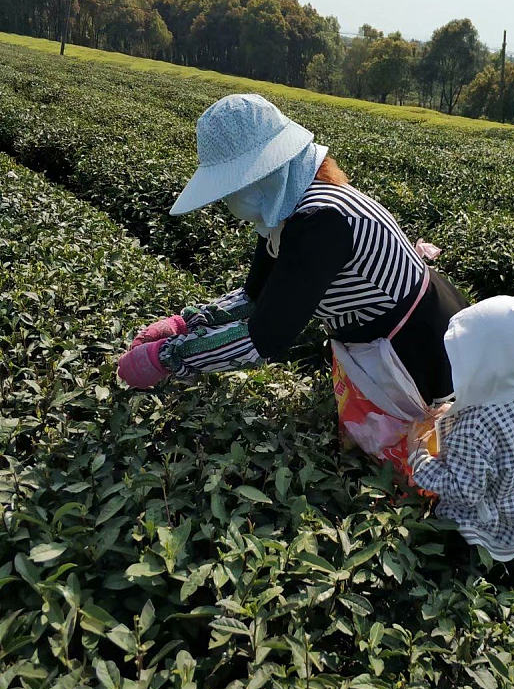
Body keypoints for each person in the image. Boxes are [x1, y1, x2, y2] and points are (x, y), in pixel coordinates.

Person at [118, 93, 470, 464]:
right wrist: (186, 323)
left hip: (418, 347)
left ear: (265, 174)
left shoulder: (323, 222)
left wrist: (171, 358)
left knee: (412, 458)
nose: (230, 201)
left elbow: (265, 336)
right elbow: (255, 296)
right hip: (380, 332)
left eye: (234, 187)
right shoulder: (287, 210)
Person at [406, 296, 514, 591]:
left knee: (469, 581)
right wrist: (457, 409)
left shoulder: (476, 424)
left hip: (481, 527)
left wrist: (417, 454)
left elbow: (464, 490)